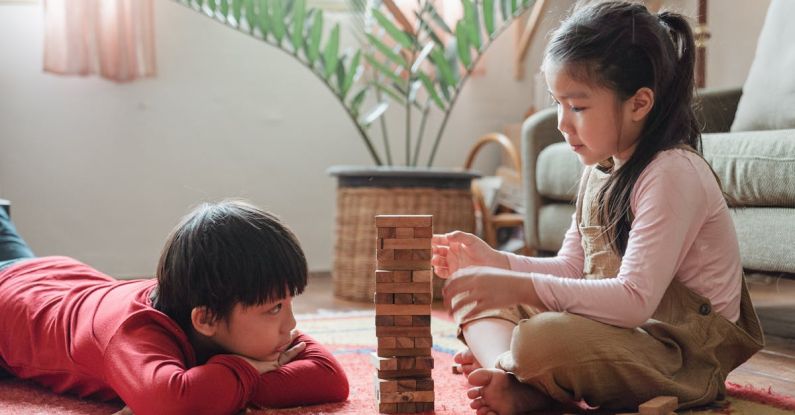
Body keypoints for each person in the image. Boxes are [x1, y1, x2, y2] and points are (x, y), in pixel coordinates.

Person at [432, 2, 764, 414]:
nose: (560, 122)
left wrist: (516, 287)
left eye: (578, 106)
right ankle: (513, 374)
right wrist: (494, 263)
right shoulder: (602, 166)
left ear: (639, 104)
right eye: (557, 103)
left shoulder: (672, 173)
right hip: (618, 331)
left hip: (679, 356)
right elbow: (573, 268)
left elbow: (633, 301)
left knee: (542, 339)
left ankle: (515, 372)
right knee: (474, 296)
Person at [0, 200, 349, 414]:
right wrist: (249, 368)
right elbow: (176, 404)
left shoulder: (219, 301)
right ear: (206, 319)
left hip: (57, 275)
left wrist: (222, 380)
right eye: (274, 308)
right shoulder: (132, 334)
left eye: (288, 303)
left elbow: (331, 379)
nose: (290, 324)